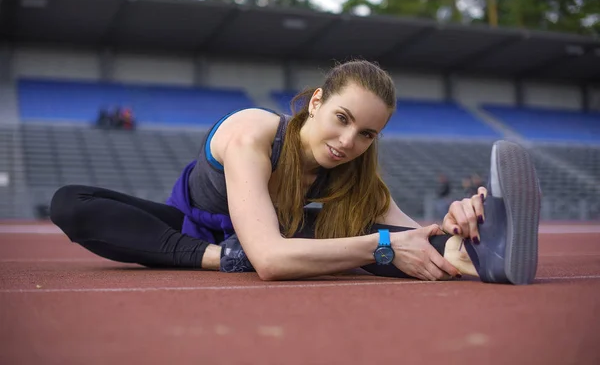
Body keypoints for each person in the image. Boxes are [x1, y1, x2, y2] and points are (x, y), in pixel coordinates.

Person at [49, 60, 541, 284]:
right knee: (70, 203)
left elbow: (409, 232)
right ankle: (220, 258)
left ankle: (482, 256)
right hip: (196, 233)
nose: (349, 143)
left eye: (367, 134)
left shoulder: (355, 169)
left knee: (403, 240)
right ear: (317, 101)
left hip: (287, 235)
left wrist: (457, 225)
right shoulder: (253, 134)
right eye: (343, 120)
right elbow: (269, 261)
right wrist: (382, 246)